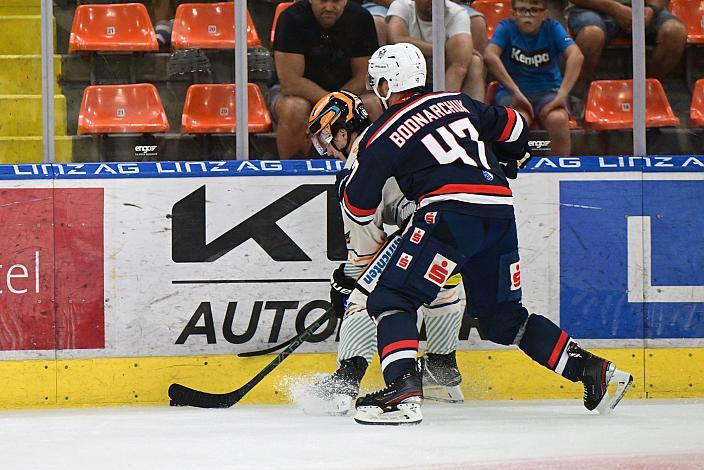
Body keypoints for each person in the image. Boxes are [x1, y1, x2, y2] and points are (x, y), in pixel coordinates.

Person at [338, 42, 633, 425]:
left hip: (447, 216)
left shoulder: (382, 132)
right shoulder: (458, 103)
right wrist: (510, 155)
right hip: (498, 214)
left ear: (385, 84)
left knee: (391, 298)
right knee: (503, 320)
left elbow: (358, 206)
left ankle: (403, 392)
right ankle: (593, 370)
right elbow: (515, 126)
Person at [304, 91, 466, 414]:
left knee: (367, 293)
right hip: (456, 222)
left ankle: (346, 380)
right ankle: (442, 369)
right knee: (444, 278)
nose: (326, 149)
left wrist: (345, 282)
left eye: (325, 138)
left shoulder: (357, 168)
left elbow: (365, 256)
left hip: (420, 227)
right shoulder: (392, 135)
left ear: (341, 131)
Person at [271, 0, 382, 158]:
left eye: (336, 1)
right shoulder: (291, 18)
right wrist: (334, 105)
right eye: (323, 0)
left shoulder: (361, 18)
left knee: (373, 104)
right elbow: (290, 83)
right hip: (297, 94)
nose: (329, 7)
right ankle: (291, 173)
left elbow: (363, 76)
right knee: (295, 108)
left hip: (347, 91)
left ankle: (370, 169)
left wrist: (338, 103)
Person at [484, 0, 583, 156]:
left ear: (544, 15)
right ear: (513, 13)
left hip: (547, 92)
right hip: (513, 94)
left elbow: (576, 56)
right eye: (522, 10)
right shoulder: (506, 28)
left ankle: (561, 170)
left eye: (534, 10)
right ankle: (511, 169)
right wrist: (515, 91)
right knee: (518, 121)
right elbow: (489, 55)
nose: (527, 16)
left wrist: (562, 95)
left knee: (558, 119)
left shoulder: (552, 27)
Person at [567, 0, 687, 103]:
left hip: (642, 8)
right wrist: (614, 8)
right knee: (591, 35)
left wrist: (651, 9)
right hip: (592, 7)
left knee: (676, 33)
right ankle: (575, 95)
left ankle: (646, 93)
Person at [386, 0, 485, 101]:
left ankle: (472, 112)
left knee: (474, 61)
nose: (433, 2)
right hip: (410, 71)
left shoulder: (457, 13)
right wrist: (444, 51)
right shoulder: (401, 5)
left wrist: (441, 104)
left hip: (445, 72)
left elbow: (459, 65)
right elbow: (396, 40)